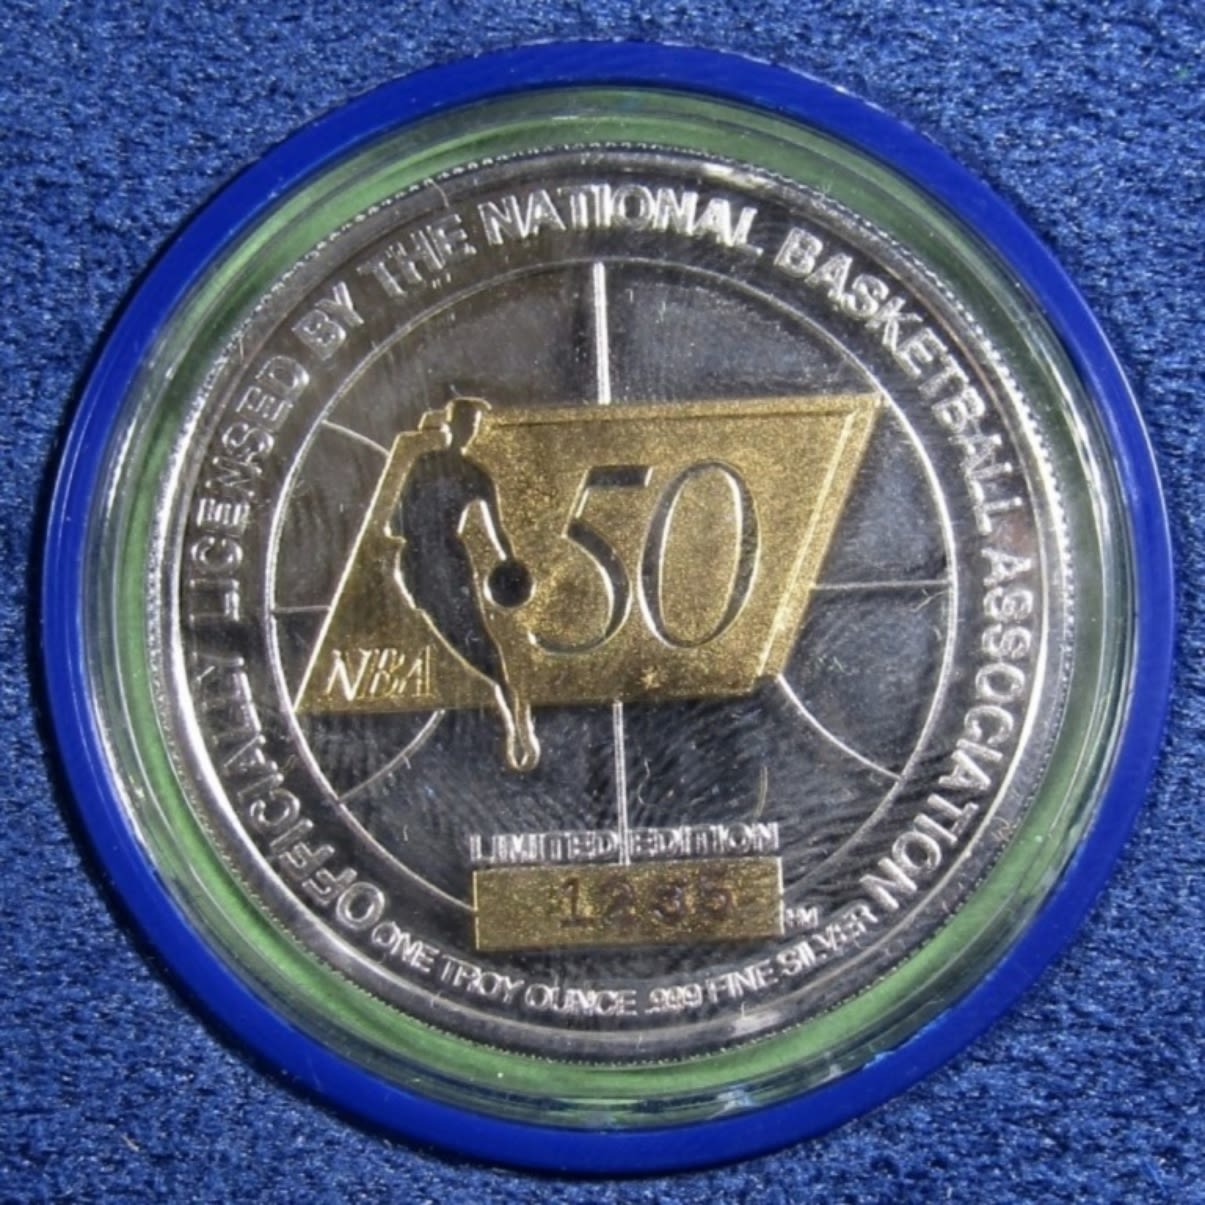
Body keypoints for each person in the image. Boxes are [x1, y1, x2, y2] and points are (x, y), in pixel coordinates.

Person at [394, 397, 539, 771]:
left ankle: (516, 722)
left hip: (443, 563)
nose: (471, 430)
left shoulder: (471, 473)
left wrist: (510, 564)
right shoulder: (429, 465)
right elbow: (398, 518)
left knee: (478, 644)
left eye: (474, 425)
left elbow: (496, 532)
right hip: (424, 562)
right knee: (467, 643)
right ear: (454, 424)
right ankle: (513, 718)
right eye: (468, 423)